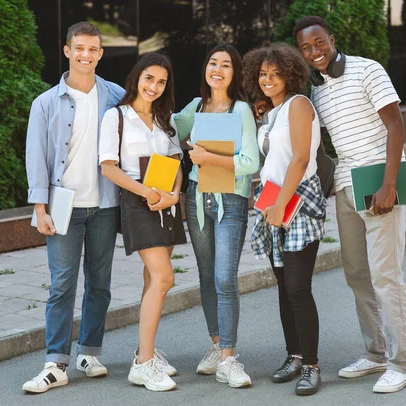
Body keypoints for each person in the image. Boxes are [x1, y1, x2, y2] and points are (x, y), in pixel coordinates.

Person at [294, 16, 406, 393]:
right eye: (306, 48)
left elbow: (396, 125)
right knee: (357, 274)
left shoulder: (368, 69)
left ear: (332, 38)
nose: (314, 52)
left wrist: (389, 184)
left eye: (319, 43)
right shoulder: (318, 91)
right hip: (346, 186)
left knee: (385, 275)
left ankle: (401, 363)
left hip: (379, 179)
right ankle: (375, 352)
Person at [23, 21, 125, 393]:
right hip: (63, 206)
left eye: (93, 49)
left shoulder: (116, 95)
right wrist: (40, 208)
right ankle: (56, 361)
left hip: (104, 204)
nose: (86, 55)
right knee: (62, 285)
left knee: (100, 284)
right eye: (79, 48)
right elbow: (35, 157)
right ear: (67, 51)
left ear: (101, 54)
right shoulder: (46, 103)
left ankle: (90, 352)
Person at [173, 44, 259, 388]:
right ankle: (215, 344)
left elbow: (252, 163)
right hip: (197, 198)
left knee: (225, 277)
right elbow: (167, 132)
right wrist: (188, 149)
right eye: (212, 63)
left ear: (234, 72)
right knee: (206, 276)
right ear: (205, 69)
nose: (218, 70)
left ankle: (228, 358)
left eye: (226, 65)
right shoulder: (194, 108)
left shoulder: (241, 110)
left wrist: (208, 157)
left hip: (231, 200)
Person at [99, 52, 186, 392]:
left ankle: (146, 349)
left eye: (161, 82)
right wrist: (146, 192)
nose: (154, 86)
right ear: (136, 78)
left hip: (166, 202)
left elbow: (177, 163)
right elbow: (108, 167)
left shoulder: (167, 120)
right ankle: (143, 363)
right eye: (149, 78)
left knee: (153, 278)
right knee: (165, 277)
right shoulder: (116, 117)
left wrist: (174, 195)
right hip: (138, 203)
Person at [243, 42, 326, 396]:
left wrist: (281, 204)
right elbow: (274, 161)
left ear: (290, 74)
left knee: (297, 287)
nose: (268, 79)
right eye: (263, 74)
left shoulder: (298, 104)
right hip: (273, 203)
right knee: (282, 286)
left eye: (276, 74)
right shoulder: (269, 112)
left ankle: (311, 365)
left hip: (299, 202)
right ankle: (293, 356)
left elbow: (301, 159)